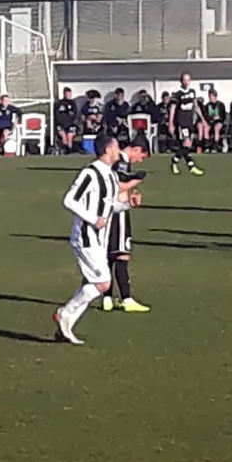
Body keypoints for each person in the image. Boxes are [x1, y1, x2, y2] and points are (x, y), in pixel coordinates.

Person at [53, 134, 140, 345]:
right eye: (116, 147)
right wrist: (93, 219)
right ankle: (65, 313)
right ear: (107, 149)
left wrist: (128, 204)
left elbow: (109, 206)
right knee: (102, 283)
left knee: (95, 283)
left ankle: (65, 326)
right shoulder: (90, 173)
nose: (119, 151)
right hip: (86, 236)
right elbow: (69, 200)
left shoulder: (111, 175)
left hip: (101, 237)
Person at [102, 136, 151, 313]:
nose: (139, 160)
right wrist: (138, 179)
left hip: (108, 211)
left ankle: (107, 298)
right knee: (122, 255)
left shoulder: (114, 161)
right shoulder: (121, 161)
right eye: (141, 156)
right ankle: (126, 299)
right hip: (119, 213)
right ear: (136, 149)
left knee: (109, 255)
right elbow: (118, 186)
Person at [168, 73, 204, 175]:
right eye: (184, 80)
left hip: (189, 121)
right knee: (187, 143)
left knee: (187, 146)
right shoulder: (177, 92)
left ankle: (177, 162)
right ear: (181, 81)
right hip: (181, 121)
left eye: (188, 80)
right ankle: (190, 166)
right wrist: (171, 123)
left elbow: (196, 106)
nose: (186, 82)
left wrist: (203, 119)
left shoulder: (192, 91)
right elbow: (172, 109)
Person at [53, 87, 79, 153]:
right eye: (67, 94)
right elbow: (56, 115)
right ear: (64, 94)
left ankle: (69, 150)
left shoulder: (73, 103)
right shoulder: (59, 103)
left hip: (70, 124)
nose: (69, 96)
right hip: (60, 125)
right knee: (63, 135)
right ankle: (65, 149)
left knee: (69, 135)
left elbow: (74, 114)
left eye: (70, 94)